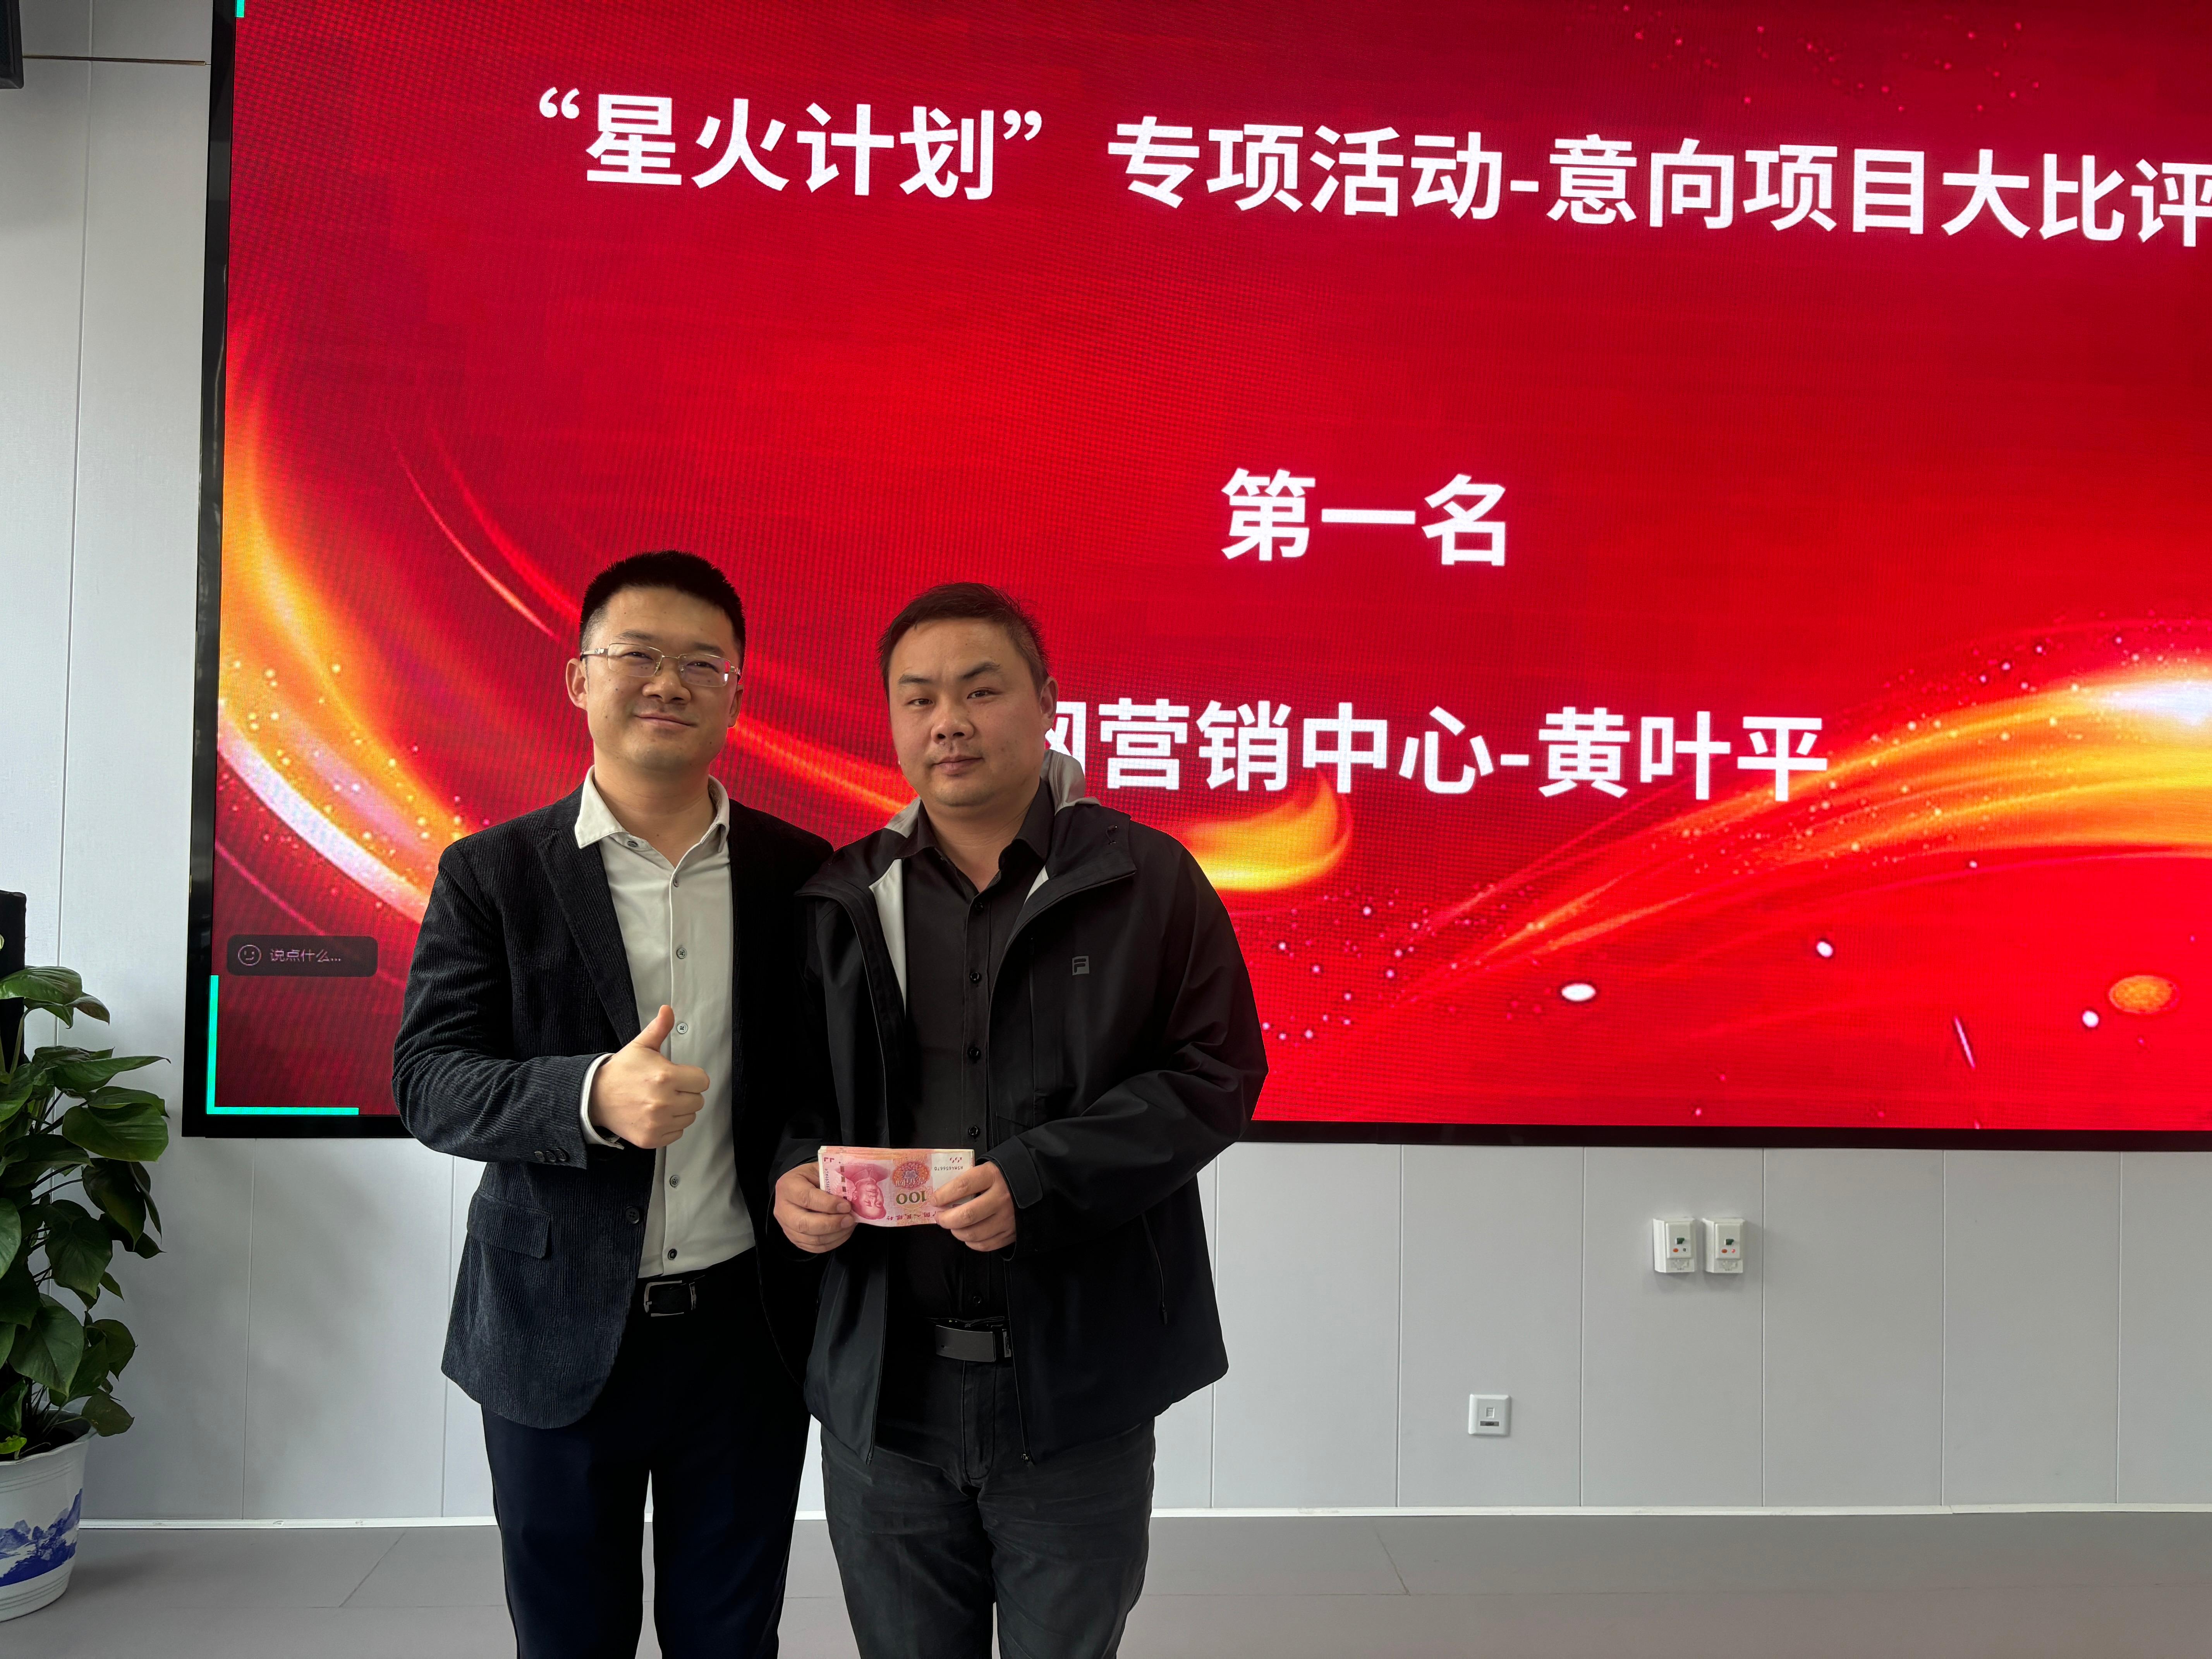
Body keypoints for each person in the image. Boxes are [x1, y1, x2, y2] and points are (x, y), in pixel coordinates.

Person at [771, 582, 1266, 1659]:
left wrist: (1041, 1178)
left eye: (981, 690)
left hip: (1078, 1388)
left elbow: (1217, 1072)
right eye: (918, 698)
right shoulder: (843, 900)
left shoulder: (1147, 880)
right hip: (887, 1394)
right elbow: (796, 1098)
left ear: (1047, 703)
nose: (947, 721)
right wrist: (794, 1174)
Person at [393, 551, 829, 1659]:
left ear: (737, 694)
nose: (668, 683)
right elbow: (429, 1080)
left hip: (746, 1334)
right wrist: (589, 1093)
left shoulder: (802, 875)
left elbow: (819, 1081)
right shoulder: (492, 873)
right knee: (568, 1637)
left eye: (702, 663)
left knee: (730, 1637)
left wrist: (800, 1163)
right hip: (550, 1328)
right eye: (637, 655)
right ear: (580, 678)